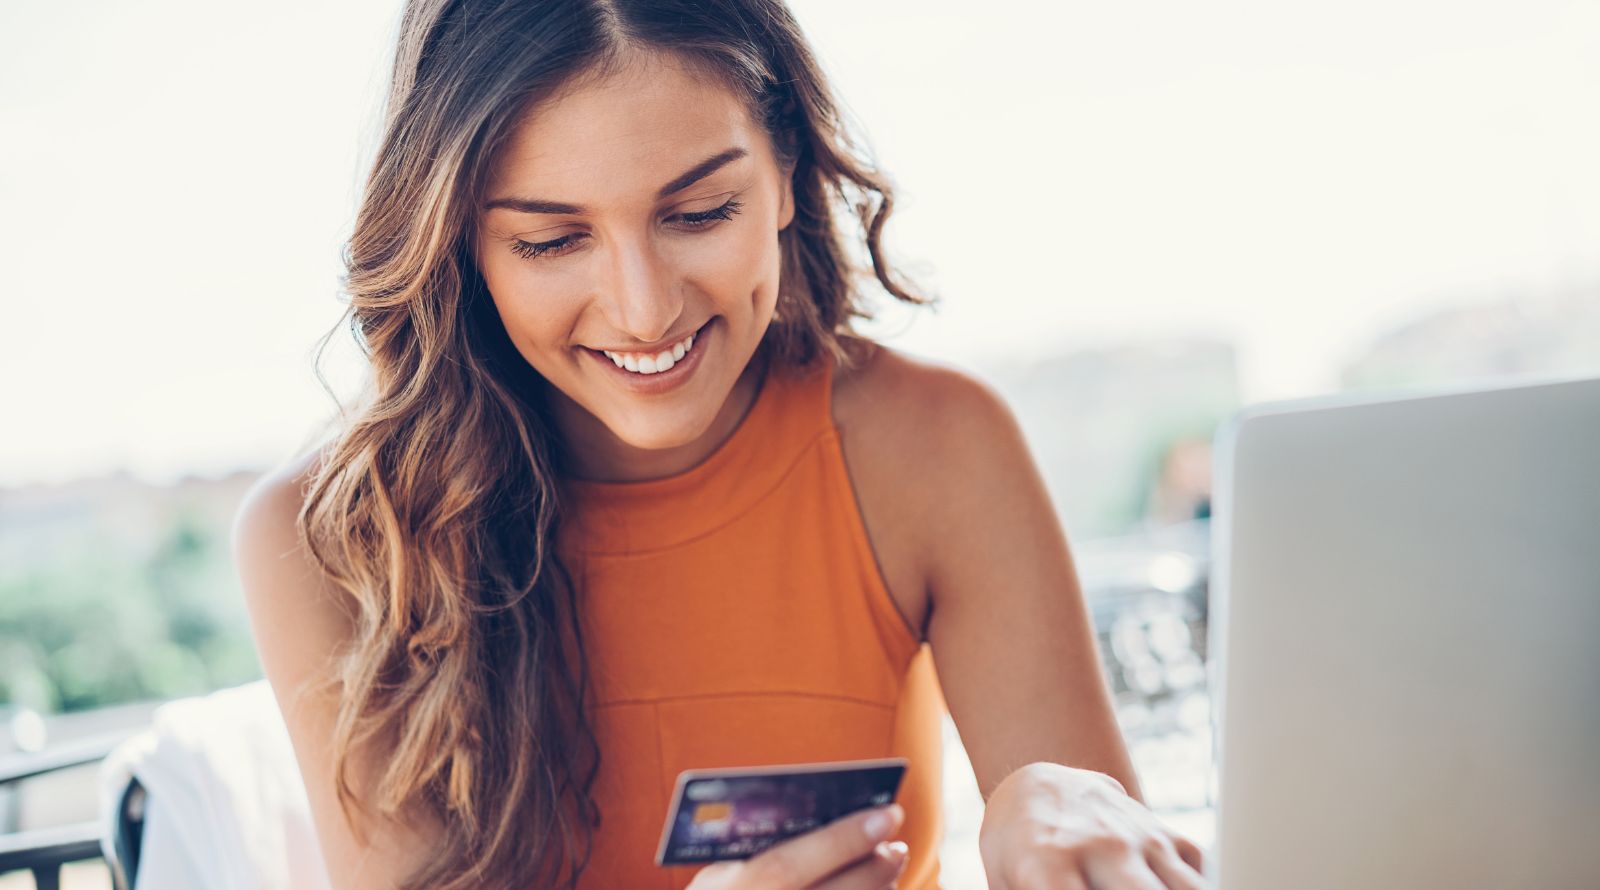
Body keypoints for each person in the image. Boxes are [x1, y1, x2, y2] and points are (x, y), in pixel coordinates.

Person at [232, 1, 1210, 888]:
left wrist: (1052, 799)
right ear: (461, 247)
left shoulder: (932, 447)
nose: (643, 308)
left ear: (786, 175)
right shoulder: (327, 543)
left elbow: (1105, 849)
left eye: (699, 213)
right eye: (550, 241)